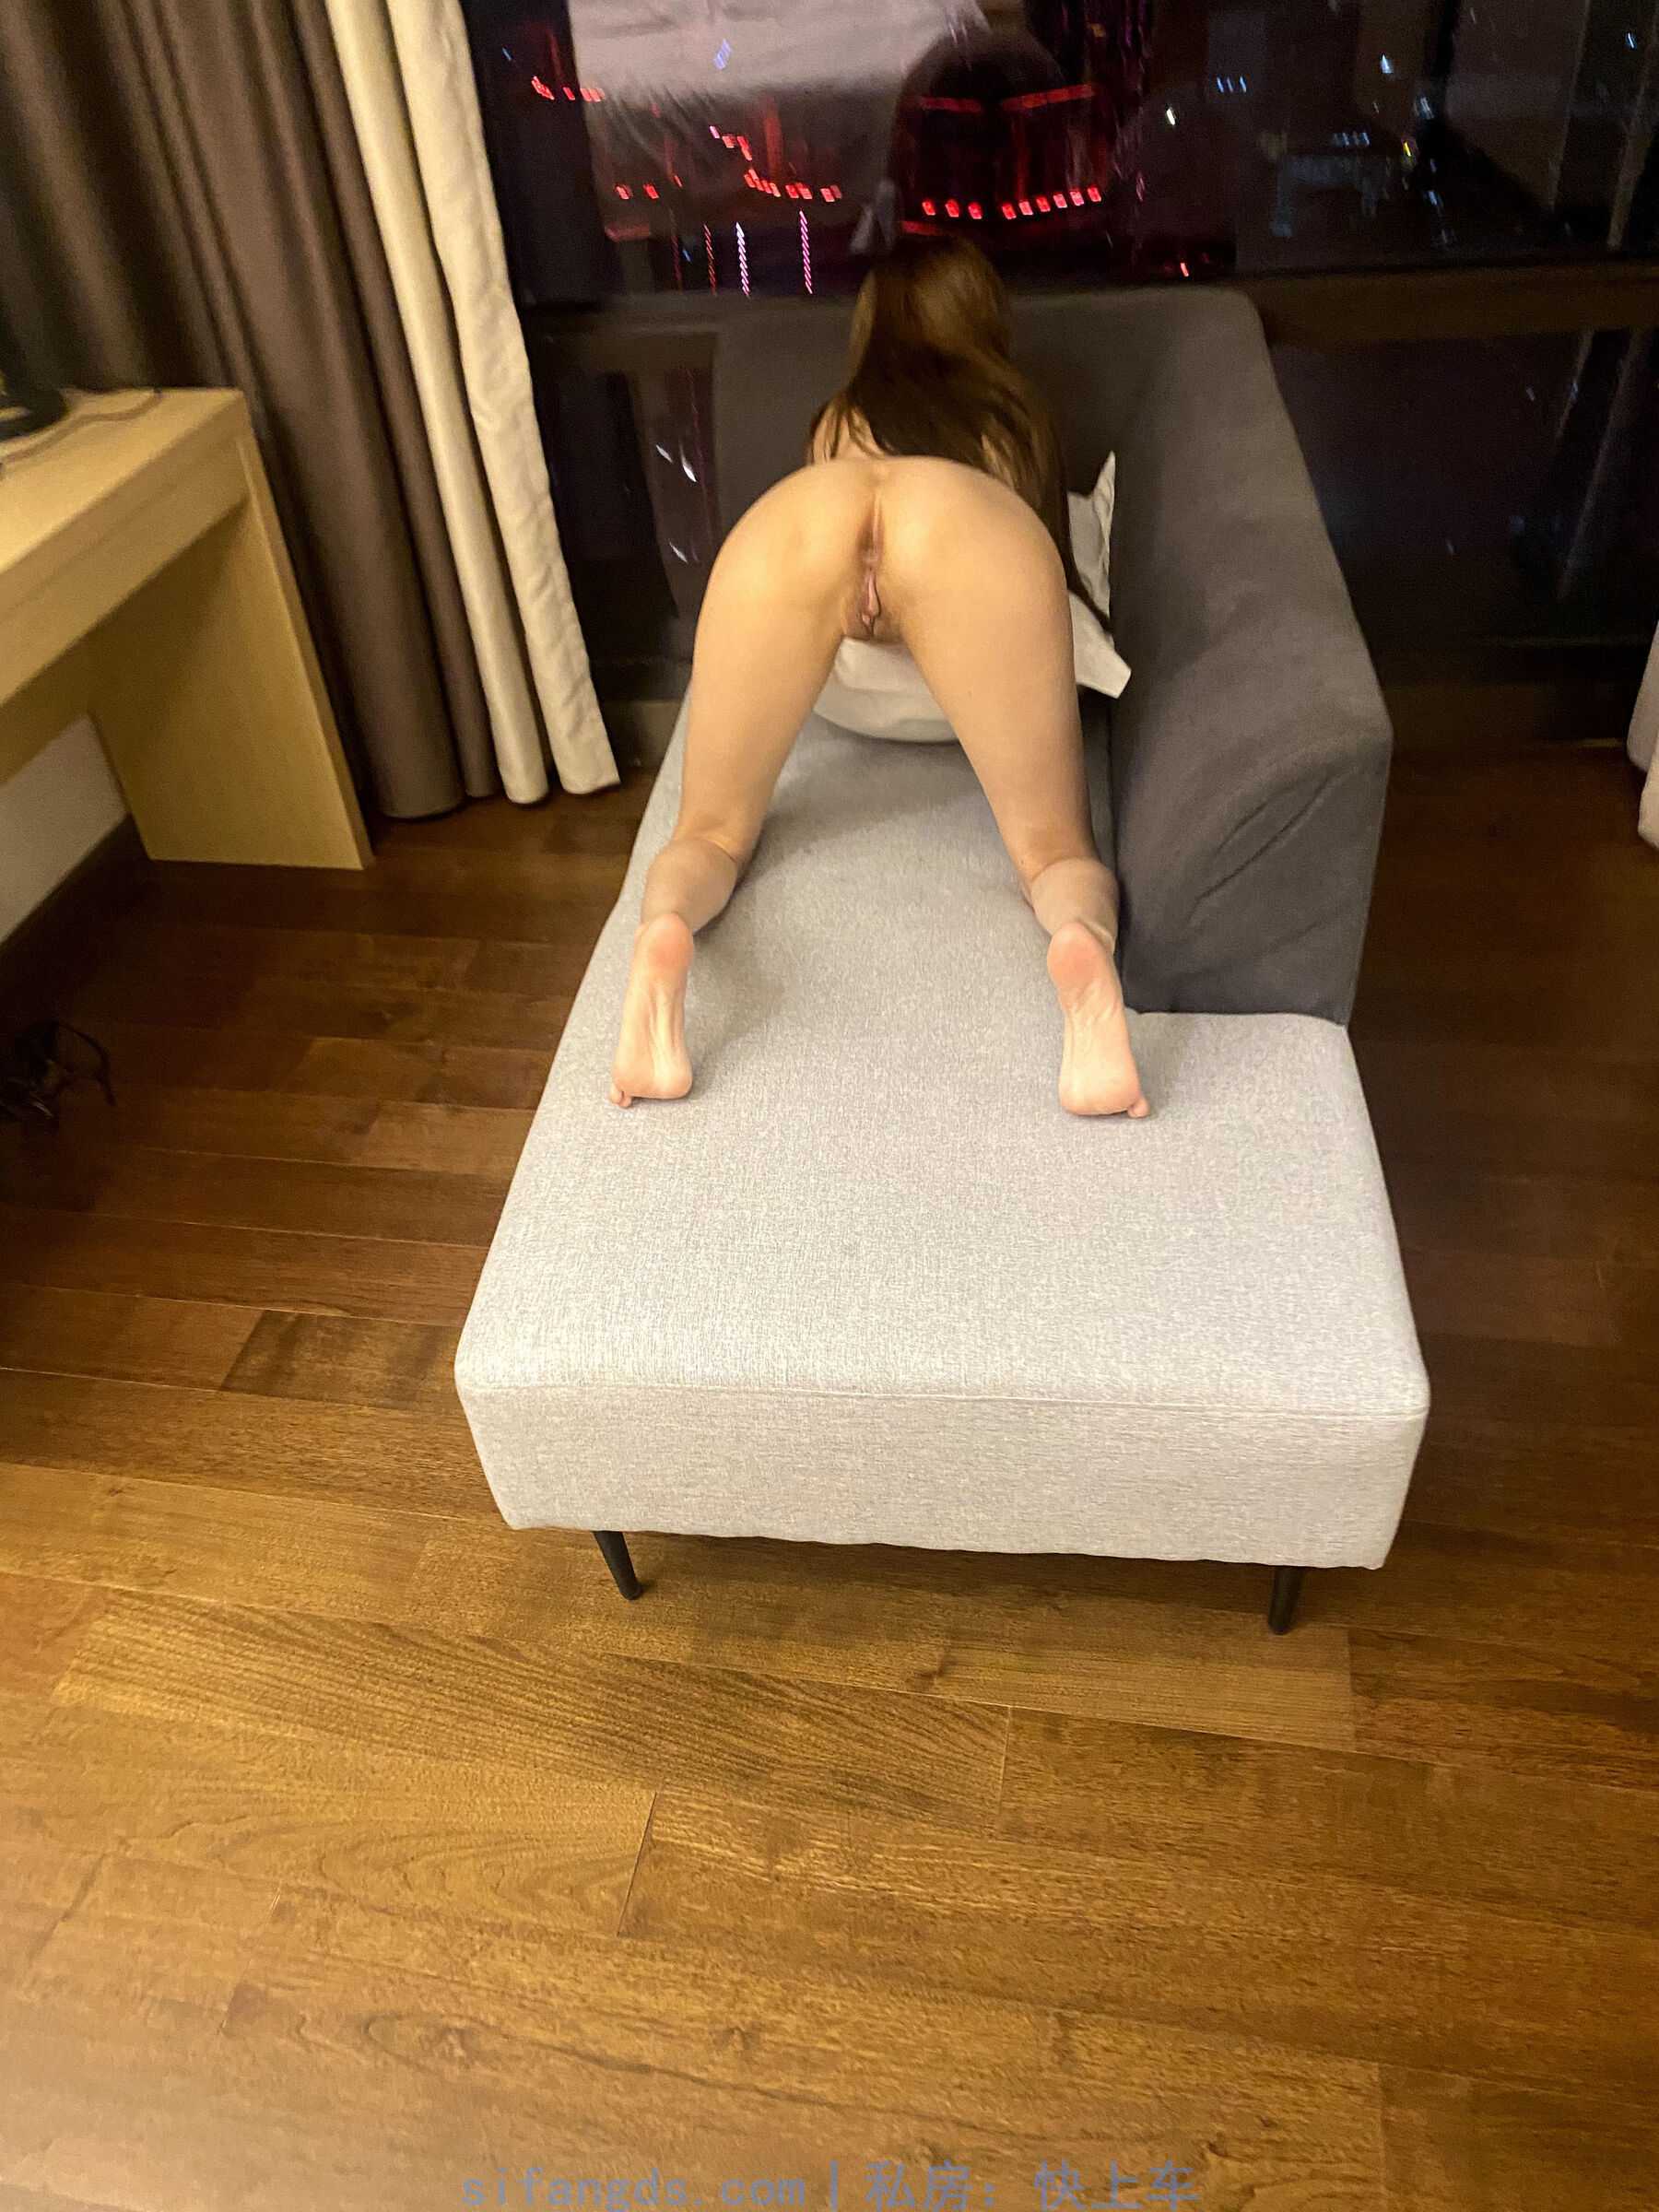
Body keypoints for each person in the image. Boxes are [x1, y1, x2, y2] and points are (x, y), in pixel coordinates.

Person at [606, 234, 1148, 1120]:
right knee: (1054, 852)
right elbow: (1051, 581)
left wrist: (862, 599)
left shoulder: (837, 419)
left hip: (803, 516)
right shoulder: (1012, 418)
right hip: (961, 524)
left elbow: (832, 607)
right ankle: (1082, 950)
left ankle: (664, 934)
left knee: (708, 833)